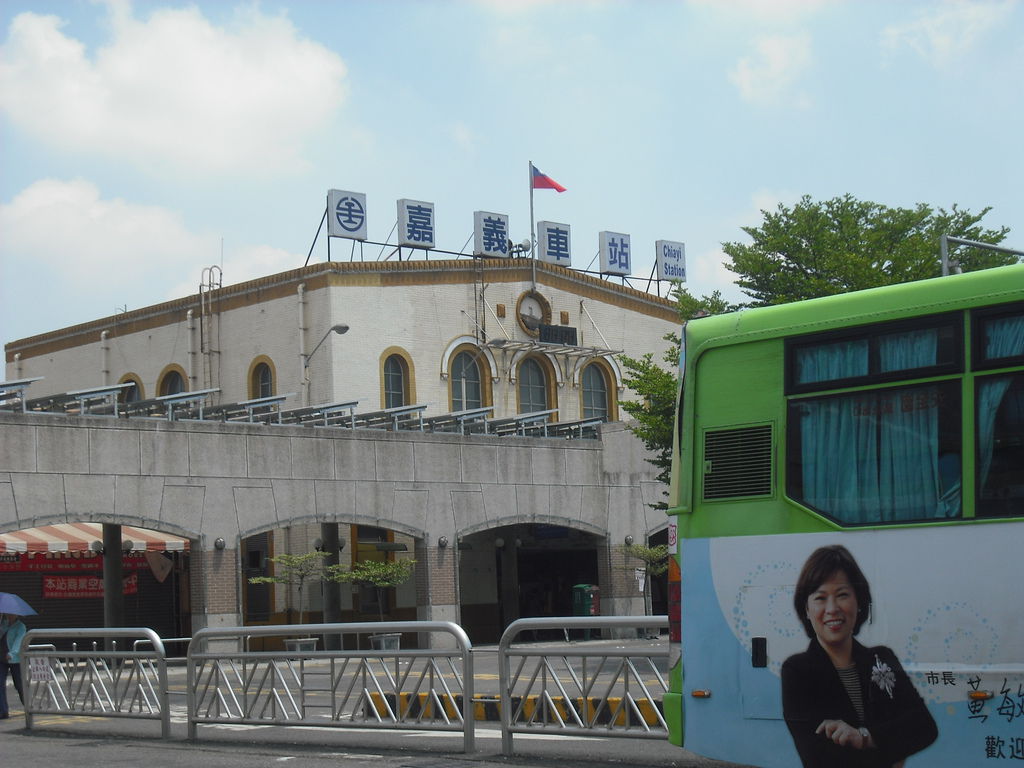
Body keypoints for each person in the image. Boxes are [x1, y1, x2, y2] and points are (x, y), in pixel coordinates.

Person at [781, 545, 937, 768]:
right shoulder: (797, 670)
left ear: (859, 601)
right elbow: (818, 758)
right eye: (820, 598)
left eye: (842, 595)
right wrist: (893, 748)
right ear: (806, 609)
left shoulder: (881, 658)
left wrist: (863, 737)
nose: (832, 608)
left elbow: (925, 727)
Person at [0, 612, 27, 719]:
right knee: (0, 683)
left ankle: (28, 705)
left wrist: (12, 653)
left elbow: (19, 641)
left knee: (19, 684)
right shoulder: (3, 624)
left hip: (14, 659)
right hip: (1, 657)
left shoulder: (20, 627)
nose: (10, 615)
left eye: (12, 614)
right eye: (8, 614)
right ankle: (3, 711)